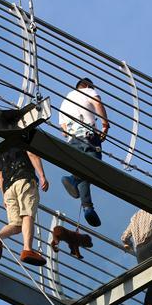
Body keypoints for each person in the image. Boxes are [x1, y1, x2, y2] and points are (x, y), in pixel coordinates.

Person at [58, 78, 109, 227]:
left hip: (72, 141)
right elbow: (98, 104)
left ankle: (88, 207)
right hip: (89, 135)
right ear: (87, 86)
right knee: (94, 164)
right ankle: (73, 179)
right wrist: (105, 125)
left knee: (83, 170)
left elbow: (64, 130)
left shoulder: (65, 100)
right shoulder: (89, 91)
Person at [0, 147, 49, 267]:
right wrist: (42, 176)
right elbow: (32, 154)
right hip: (24, 178)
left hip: (8, 188)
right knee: (27, 214)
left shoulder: (0, 148)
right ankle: (27, 249)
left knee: (16, 225)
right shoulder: (21, 136)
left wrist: (4, 195)